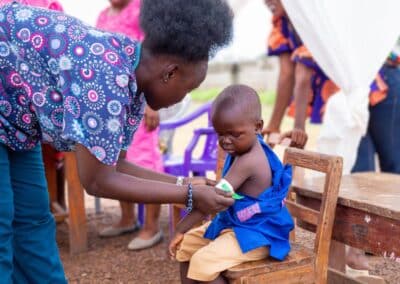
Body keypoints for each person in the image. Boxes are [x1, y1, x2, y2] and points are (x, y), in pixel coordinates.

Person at [0, 0, 234, 282]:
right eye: (187, 89)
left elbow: (115, 165)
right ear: (170, 73)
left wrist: (184, 183)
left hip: (14, 123)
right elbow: (97, 181)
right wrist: (188, 195)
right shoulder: (105, 73)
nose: (183, 99)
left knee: (33, 220)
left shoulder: (131, 76)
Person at [262, 0, 390, 278]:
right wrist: (274, 126)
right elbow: (288, 75)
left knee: (389, 166)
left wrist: (298, 128)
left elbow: (302, 75)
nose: (267, 3)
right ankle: (353, 252)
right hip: (344, 101)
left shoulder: (316, 12)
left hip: (377, 87)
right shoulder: (284, 22)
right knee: (352, 173)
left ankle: (369, 245)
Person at [169, 85, 295, 284]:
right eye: (220, 134)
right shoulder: (242, 148)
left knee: (202, 262)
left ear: (258, 126)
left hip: (257, 234)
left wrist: (180, 229)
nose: (226, 141)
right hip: (235, 224)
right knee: (186, 248)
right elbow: (223, 192)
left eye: (234, 135)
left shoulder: (249, 160)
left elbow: (211, 202)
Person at [95, 0, 165, 251]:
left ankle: (151, 226)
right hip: (113, 102)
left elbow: (153, 55)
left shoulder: (142, 9)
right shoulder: (103, 15)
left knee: (143, 161)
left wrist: (151, 103)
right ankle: (127, 218)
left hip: (140, 98)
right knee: (116, 161)